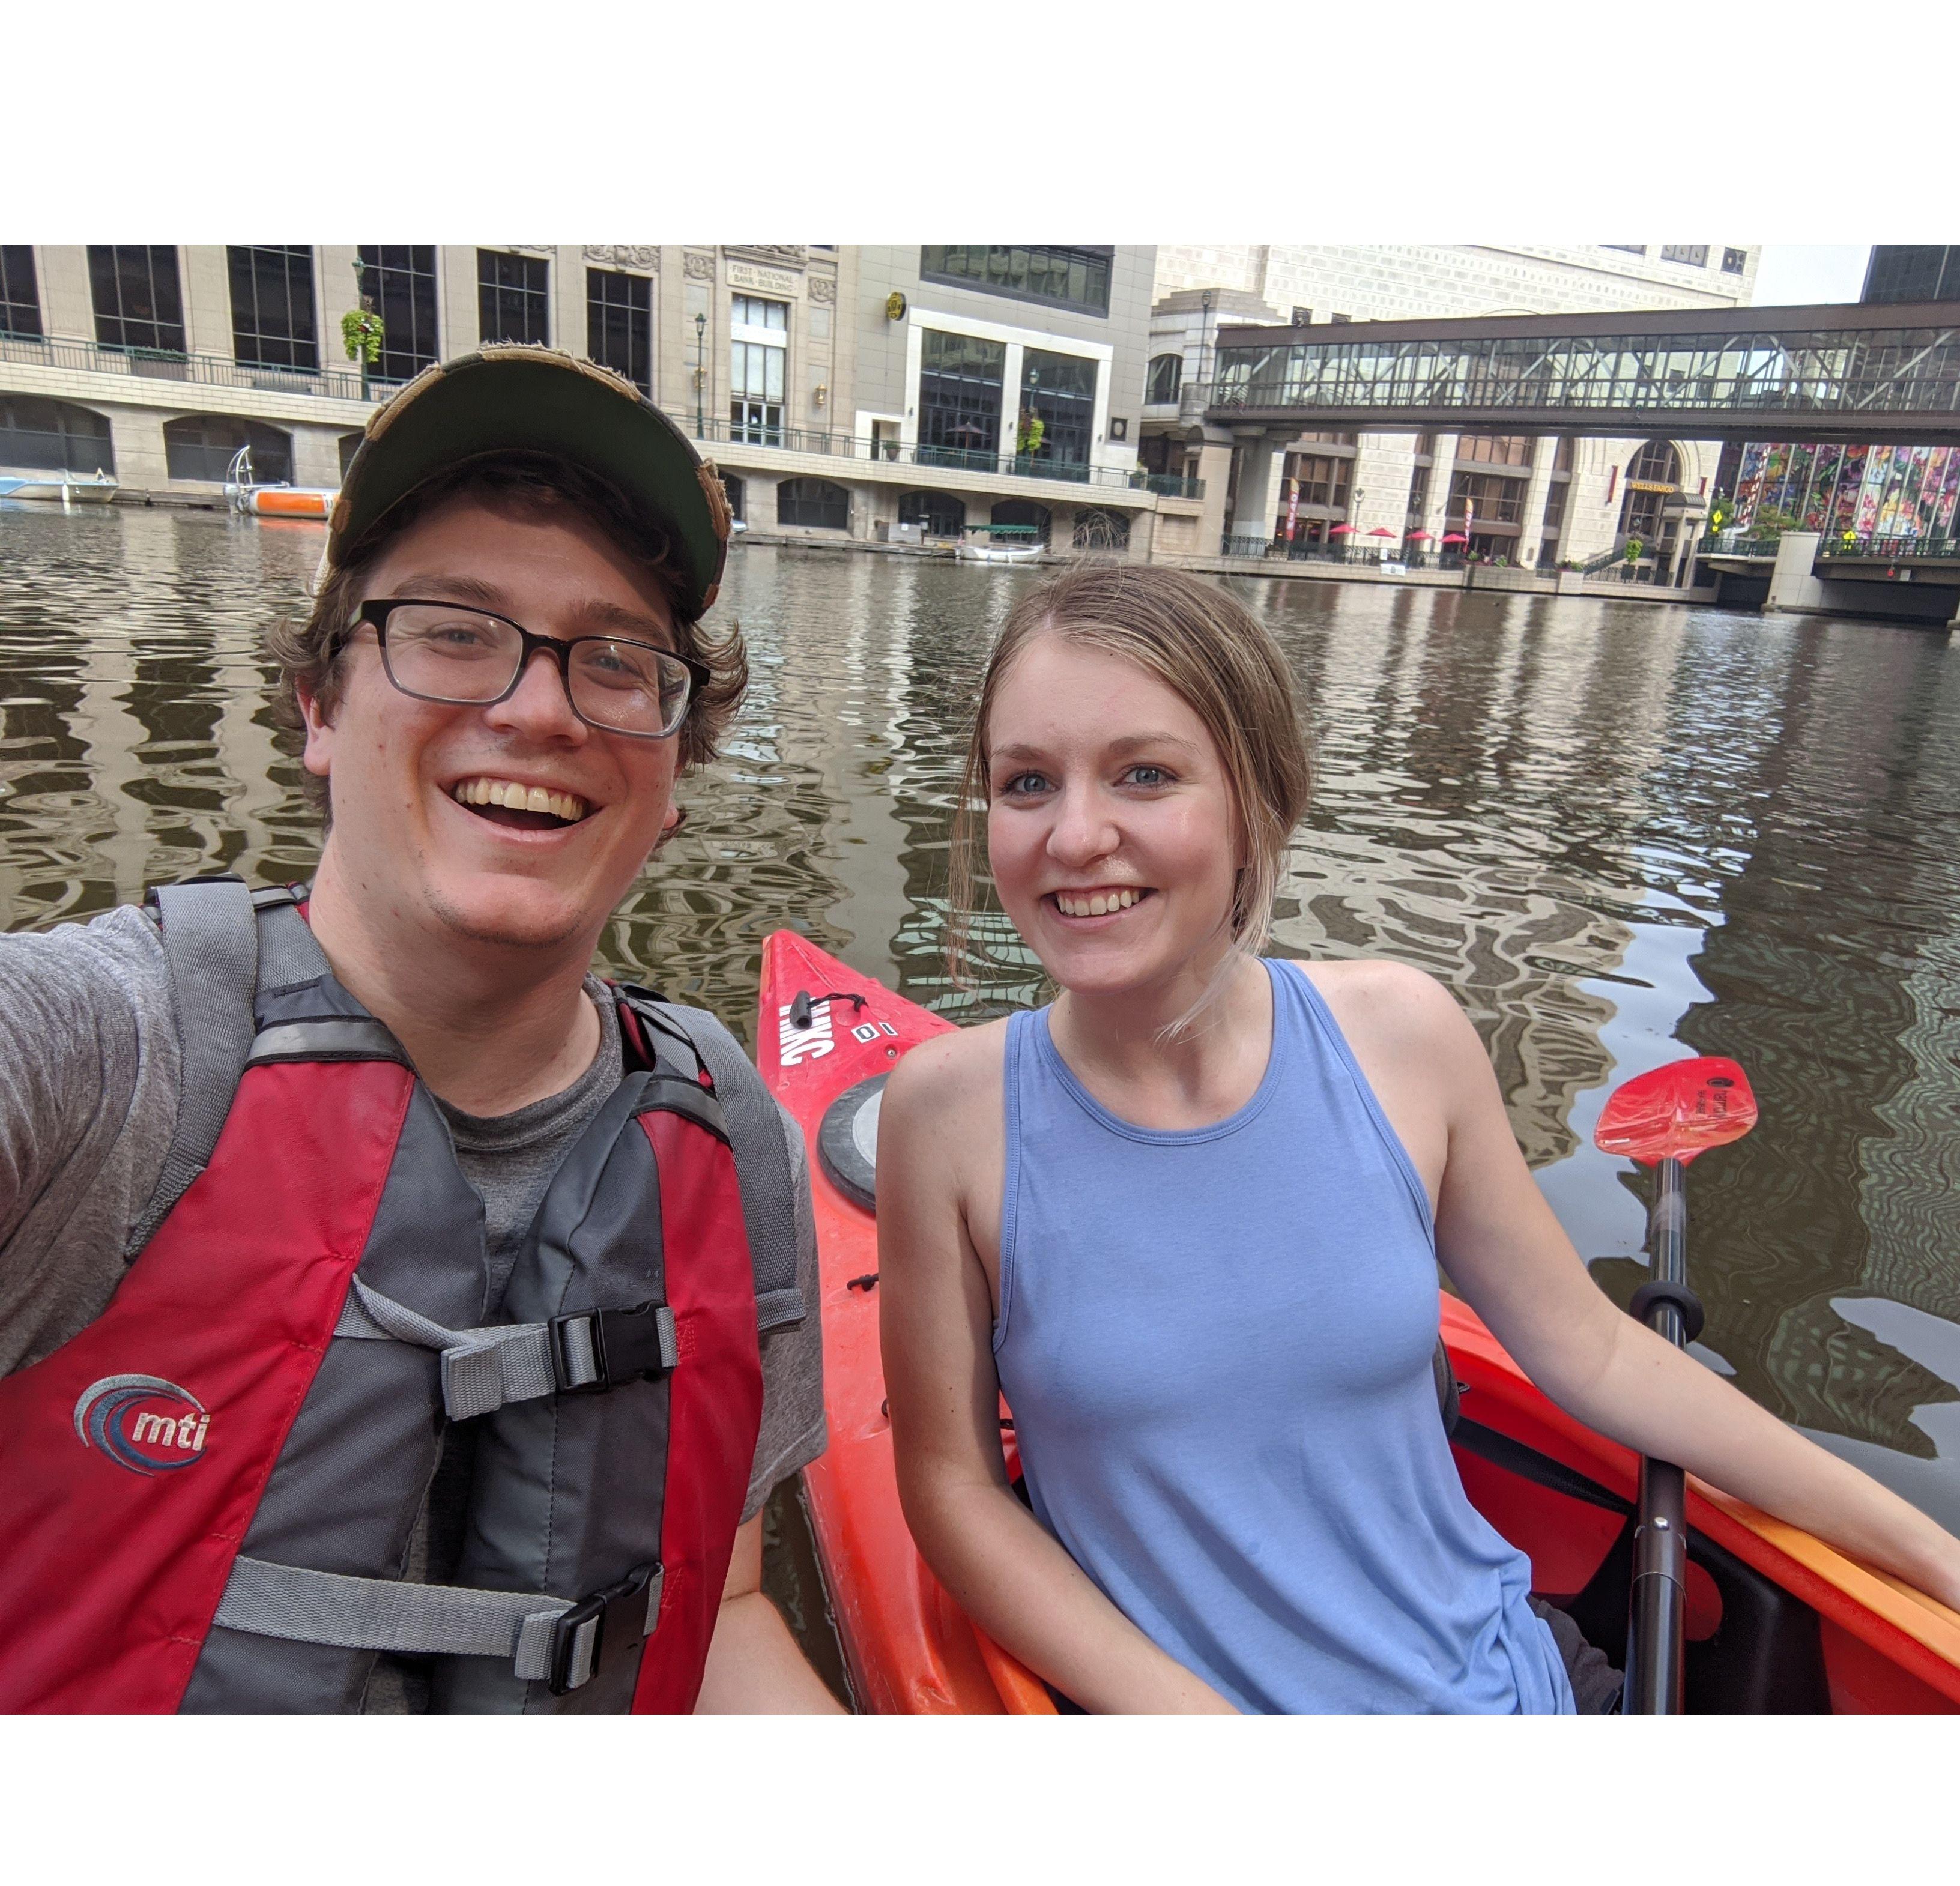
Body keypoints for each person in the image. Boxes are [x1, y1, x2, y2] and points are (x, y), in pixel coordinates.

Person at [876, 560, 1960, 1714]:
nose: (1076, 834)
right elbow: (952, 1488)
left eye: (1145, 775)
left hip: (1514, 1685)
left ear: (1256, 801)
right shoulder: (947, 1115)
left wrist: (1929, 1553)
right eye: (1027, 782)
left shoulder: (1404, 1034)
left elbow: (1592, 1354)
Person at [0, 348, 842, 1714]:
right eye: (455, 629)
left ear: (675, 775)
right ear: (322, 703)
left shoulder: (731, 1129)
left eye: (618, 662)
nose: (538, 707)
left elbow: (725, 1607)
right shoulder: (104, 1057)